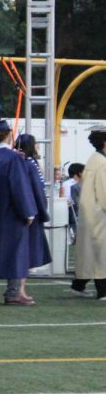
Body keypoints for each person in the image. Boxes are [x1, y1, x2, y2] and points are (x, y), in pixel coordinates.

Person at [0, 120, 38, 306]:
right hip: (11, 214)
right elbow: (18, 187)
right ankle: (13, 293)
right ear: (9, 134)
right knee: (15, 253)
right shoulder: (14, 158)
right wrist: (28, 212)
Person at [14, 134, 53, 303]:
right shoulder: (30, 164)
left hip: (17, 211)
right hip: (30, 211)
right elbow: (38, 189)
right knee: (27, 252)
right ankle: (19, 290)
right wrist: (42, 211)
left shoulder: (16, 162)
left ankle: (16, 289)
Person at [70, 126, 106, 300]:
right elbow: (104, 191)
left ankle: (78, 285)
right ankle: (103, 291)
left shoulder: (94, 160)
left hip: (90, 213)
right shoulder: (102, 163)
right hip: (99, 215)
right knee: (101, 255)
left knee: (89, 253)